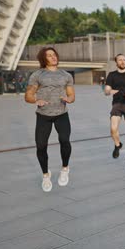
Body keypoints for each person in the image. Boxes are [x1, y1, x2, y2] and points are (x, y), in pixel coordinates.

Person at [25, 47, 75, 192]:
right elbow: (28, 96)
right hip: (43, 115)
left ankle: (65, 168)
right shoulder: (37, 75)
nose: (53, 57)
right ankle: (46, 175)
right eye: (49, 56)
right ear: (44, 59)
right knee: (41, 146)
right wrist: (36, 100)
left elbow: (72, 95)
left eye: (54, 54)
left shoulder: (66, 75)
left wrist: (69, 99)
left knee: (65, 140)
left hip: (62, 114)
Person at [104, 54, 125, 167]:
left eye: (124, 60)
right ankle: (118, 145)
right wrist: (110, 91)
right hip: (117, 104)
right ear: (116, 62)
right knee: (113, 129)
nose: (123, 61)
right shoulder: (112, 75)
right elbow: (106, 90)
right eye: (120, 60)